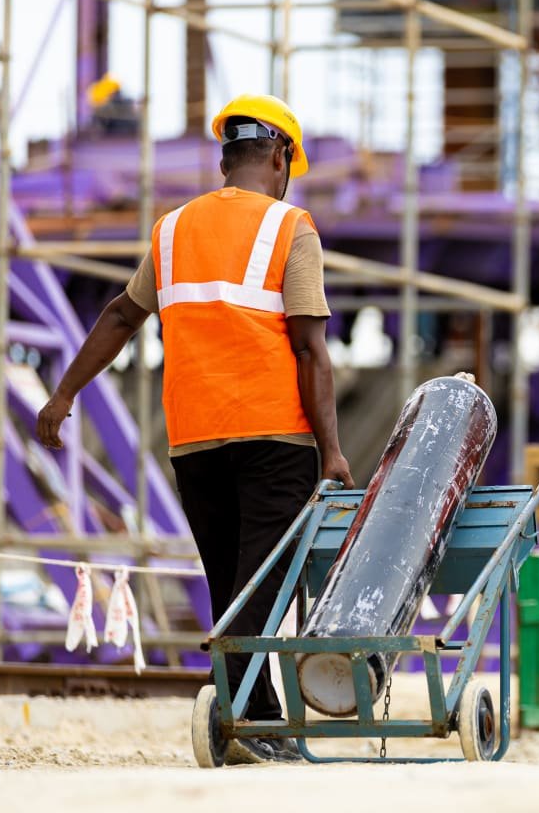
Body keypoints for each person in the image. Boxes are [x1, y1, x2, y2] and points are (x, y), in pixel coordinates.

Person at [36, 94, 354, 763]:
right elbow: (309, 348)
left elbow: (120, 316)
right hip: (274, 436)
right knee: (262, 581)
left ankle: (256, 717)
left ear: (224, 158)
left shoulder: (172, 229)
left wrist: (64, 394)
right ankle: (238, 717)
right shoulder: (291, 226)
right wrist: (331, 450)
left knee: (229, 580)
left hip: (194, 439)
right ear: (280, 157)